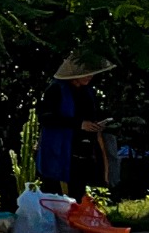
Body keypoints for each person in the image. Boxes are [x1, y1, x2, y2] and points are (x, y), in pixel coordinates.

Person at [44, 56, 113, 197]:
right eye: (86, 73)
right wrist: (79, 124)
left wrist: (96, 125)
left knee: (78, 194)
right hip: (60, 151)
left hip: (83, 151)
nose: (90, 76)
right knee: (59, 194)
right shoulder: (56, 89)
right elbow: (46, 118)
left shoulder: (87, 91)